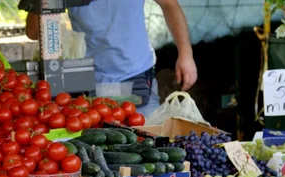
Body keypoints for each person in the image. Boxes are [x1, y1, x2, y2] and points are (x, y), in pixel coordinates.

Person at [21, 0, 197, 116]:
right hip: (87, 81)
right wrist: (43, 4)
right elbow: (33, 33)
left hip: (136, 77)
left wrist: (186, 53)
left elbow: (170, 5)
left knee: (145, 152)